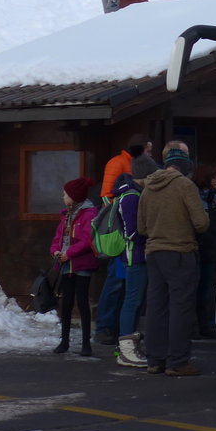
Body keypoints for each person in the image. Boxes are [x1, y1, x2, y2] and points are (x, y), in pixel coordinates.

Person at [138, 144, 208, 376]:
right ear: (185, 166)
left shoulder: (149, 187)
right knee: (180, 307)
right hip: (179, 252)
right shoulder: (185, 186)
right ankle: (177, 362)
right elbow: (201, 223)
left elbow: (141, 227)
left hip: (154, 252)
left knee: (156, 307)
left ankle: (154, 360)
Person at [94, 133, 152, 345]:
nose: (150, 154)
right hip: (121, 232)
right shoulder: (118, 163)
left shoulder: (132, 164)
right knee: (116, 282)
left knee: (125, 284)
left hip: (126, 229)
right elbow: (106, 196)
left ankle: (118, 327)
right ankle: (105, 326)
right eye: (148, 149)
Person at [111, 153, 158, 368]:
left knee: (135, 301)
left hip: (137, 256)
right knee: (132, 300)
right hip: (135, 256)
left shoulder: (134, 193)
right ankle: (126, 350)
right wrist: (151, 234)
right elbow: (132, 232)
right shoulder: (131, 197)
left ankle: (129, 346)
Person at [49, 176, 99, 355]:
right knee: (67, 302)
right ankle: (65, 341)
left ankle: (86, 343)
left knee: (82, 302)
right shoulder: (66, 215)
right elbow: (57, 238)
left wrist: (68, 253)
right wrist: (55, 251)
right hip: (65, 265)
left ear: (74, 196)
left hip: (81, 263)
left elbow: (87, 240)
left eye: (65, 194)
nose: (63, 197)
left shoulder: (89, 214)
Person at [193, 163, 216, 339]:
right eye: (213, 177)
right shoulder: (197, 196)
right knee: (200, 287)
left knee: (210, 286)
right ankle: (199, 325)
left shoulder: (213, 197)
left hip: (213, 247)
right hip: (202, 247)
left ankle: (207, 324)